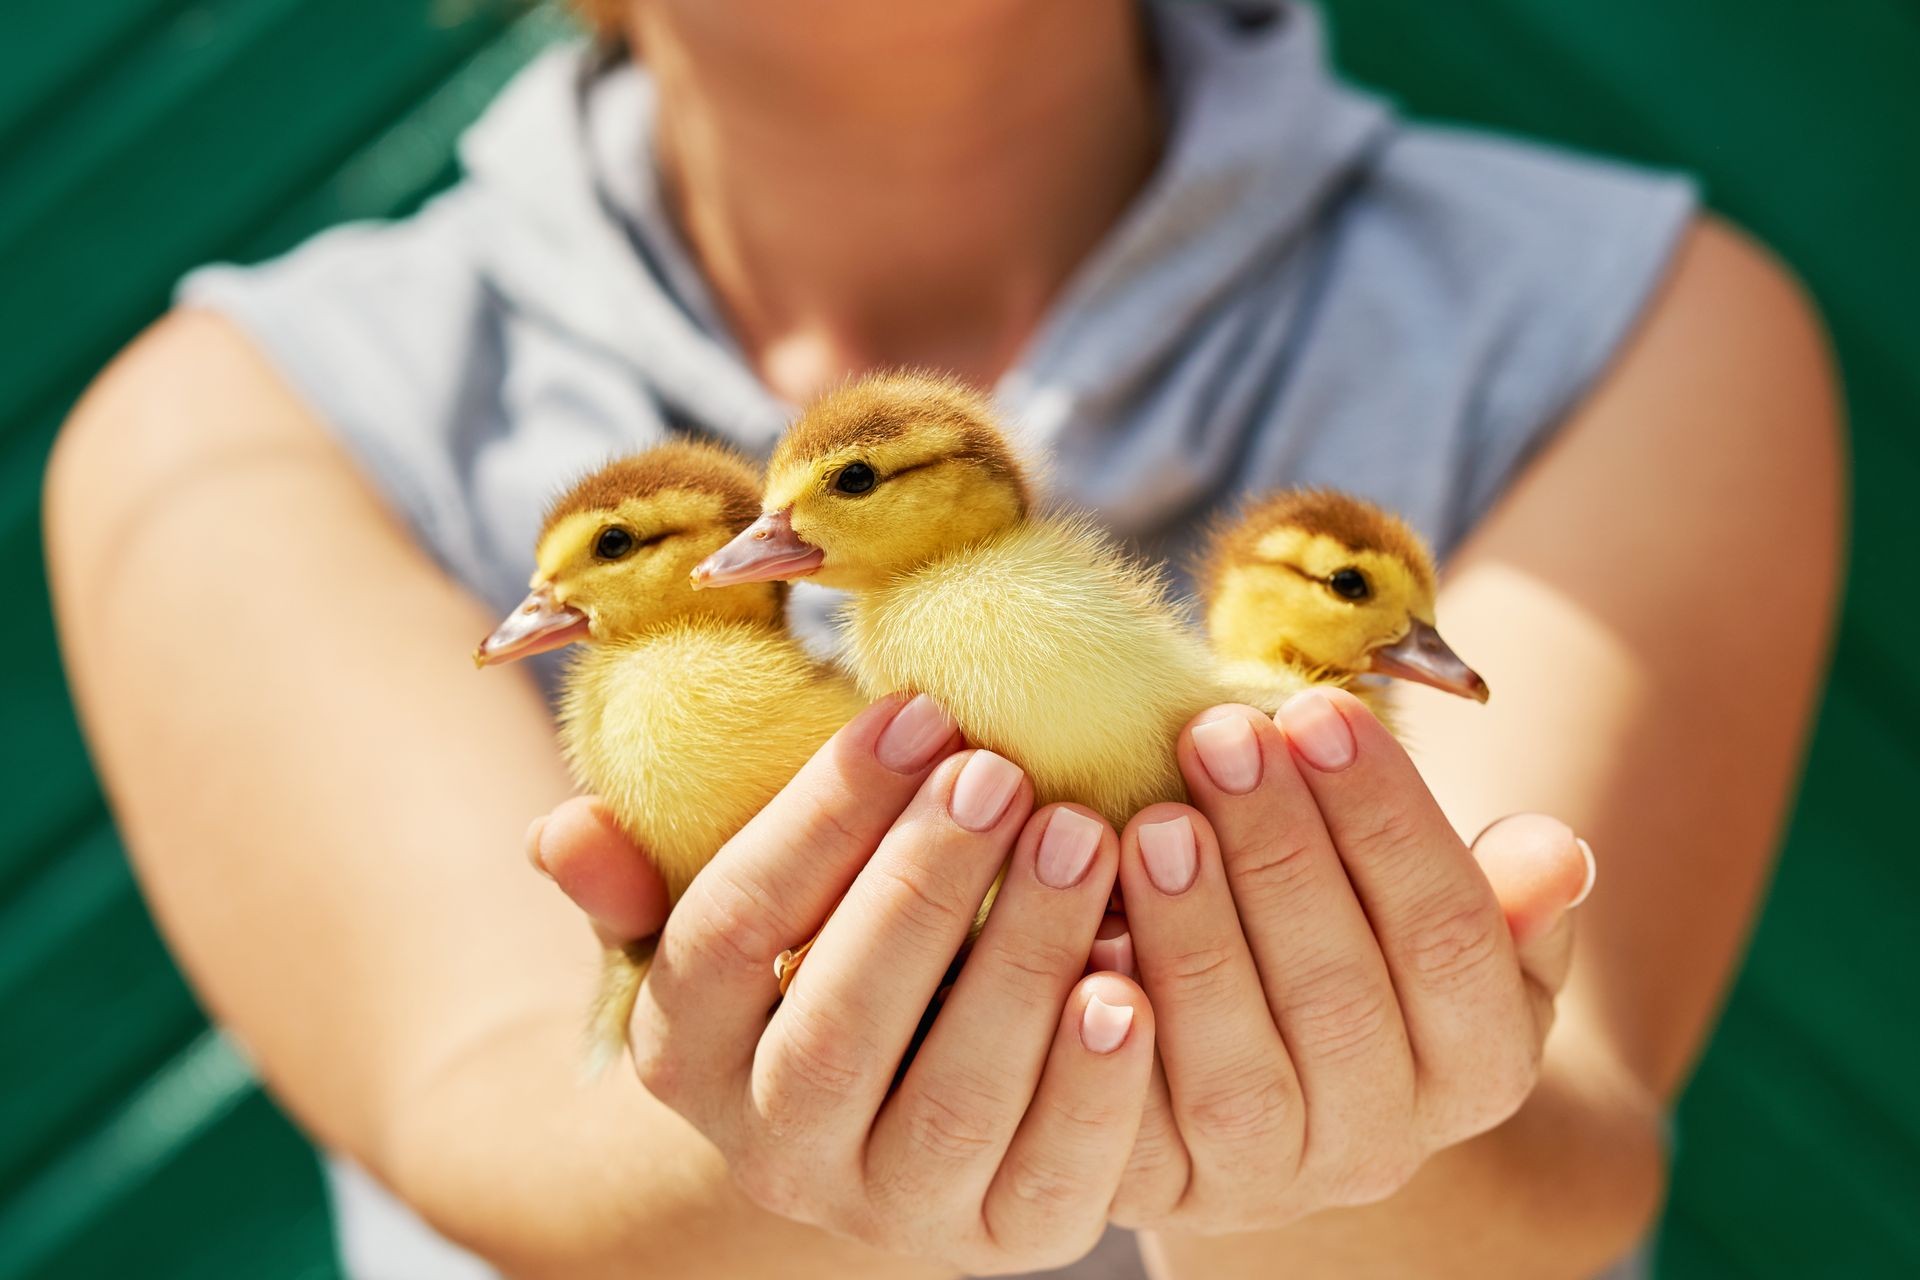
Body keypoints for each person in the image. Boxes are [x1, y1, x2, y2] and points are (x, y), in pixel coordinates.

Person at [44, 0, 1840, 1276]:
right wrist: (751, 1109)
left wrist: (1365, 1125)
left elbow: (1560, 1157)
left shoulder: (1624, 325)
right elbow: (498, 1129)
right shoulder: (244, 430)